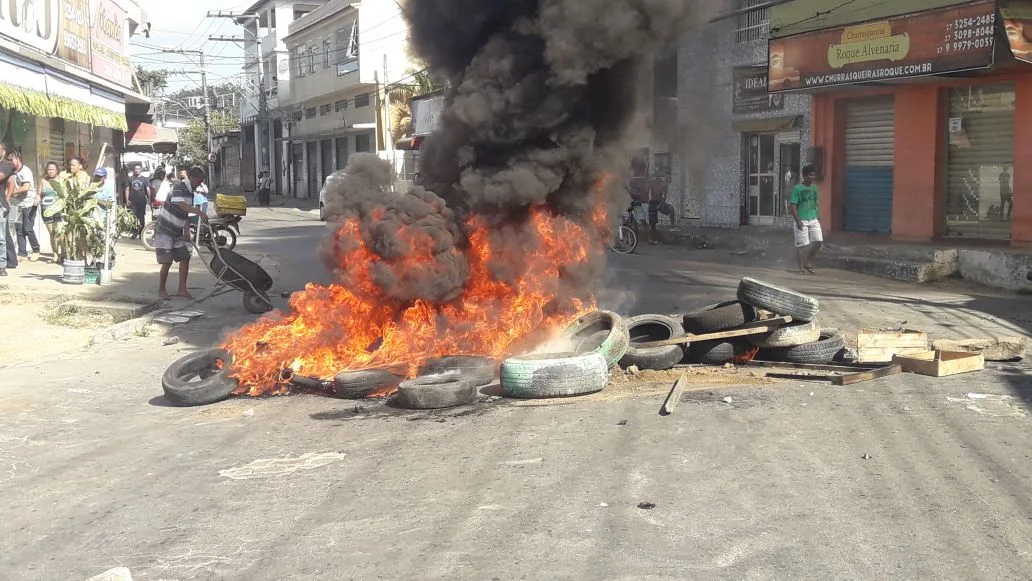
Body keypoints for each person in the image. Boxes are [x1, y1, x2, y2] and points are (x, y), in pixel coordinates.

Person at [155, 166, 208, 300]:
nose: (200, 183)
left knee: (185, 257)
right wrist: (199, 212)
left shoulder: (190, 191)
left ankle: (182, 289)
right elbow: (180, 205)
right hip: (165, 229)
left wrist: (186, 230)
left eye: (202, 181)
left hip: (177, 230)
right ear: (192, 178)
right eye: (199, 180)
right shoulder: (179, 186)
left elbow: (185, 213)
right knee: (167, 261)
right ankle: (162, 290)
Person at [788, 164, 822, 275]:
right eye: (811, 175)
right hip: (801, 220)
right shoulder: (797, 189)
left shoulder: (814, 188)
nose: (813, 177)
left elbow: (815, 203)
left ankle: (807, 261)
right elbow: (792, 206)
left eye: (814, 175)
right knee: (802, 245)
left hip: (813, 219)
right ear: (805, 176)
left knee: (818, 241)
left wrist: (818, 215)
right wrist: (798, 221)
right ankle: (800, 267)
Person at [9, 151, 39, 261]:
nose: (10, 162)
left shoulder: (25, 171)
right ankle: (22, 253)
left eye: (11, 159)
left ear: (18, 159)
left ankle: (36, 249)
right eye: (8, 160)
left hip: (29, 203)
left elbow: (26, 187)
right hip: (17, 204)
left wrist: (11, 193)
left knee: (28, 228)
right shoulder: (12, 172)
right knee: (19, 229)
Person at [38, 161, 62, 262]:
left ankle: (63, 253)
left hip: (59, 209)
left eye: (53, 169)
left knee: (60, 232)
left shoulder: (61, 180)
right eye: (49, 169)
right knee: (52, 233)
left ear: (57, 170)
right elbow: (39, 194)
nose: (51, 171)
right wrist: (37, 199)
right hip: (46, 209)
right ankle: (55, 254)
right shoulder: (43, 181)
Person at [646, 174, 676, 245]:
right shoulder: (652, 182)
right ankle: (651, 239)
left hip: (660, 202)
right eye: (656, 174)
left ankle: (672, 228)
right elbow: (647, 191)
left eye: (658, 174)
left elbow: (664, 196)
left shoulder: (664, 184)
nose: (657, 177)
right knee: (652, 223)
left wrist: (660, 205)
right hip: (652, 202)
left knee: (671, 209)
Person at [0, 142, 15, 276]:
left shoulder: (5, 165)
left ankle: (2, 265)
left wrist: (7, 198)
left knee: (1, 238)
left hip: (0, 206)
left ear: (3, 152)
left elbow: (10, 183)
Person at [125, 163, 151, 239]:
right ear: (134, 170)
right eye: (136, 169)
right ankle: (134, 233)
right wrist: (127, 200)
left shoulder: (145, 179)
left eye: (138, 169)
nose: (137, 170)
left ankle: (141, 233)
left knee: (141, 217)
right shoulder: (129, 178)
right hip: (133, 201)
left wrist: (149, 199)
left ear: (141, 170)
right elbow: (127, 189)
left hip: (142, 201)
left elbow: (148, 190)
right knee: (133, 217)